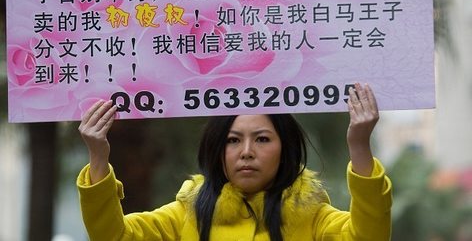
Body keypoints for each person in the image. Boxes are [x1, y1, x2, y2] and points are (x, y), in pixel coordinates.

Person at [77, 82, 392, 240]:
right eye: (233, 140)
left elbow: (369, 236)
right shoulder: (184, 215)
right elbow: (113, 236)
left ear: (285, 149)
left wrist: (359, 146)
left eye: (262, 139)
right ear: (218, 149)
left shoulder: (313, 217)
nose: (246, 151)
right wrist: (98, 157)